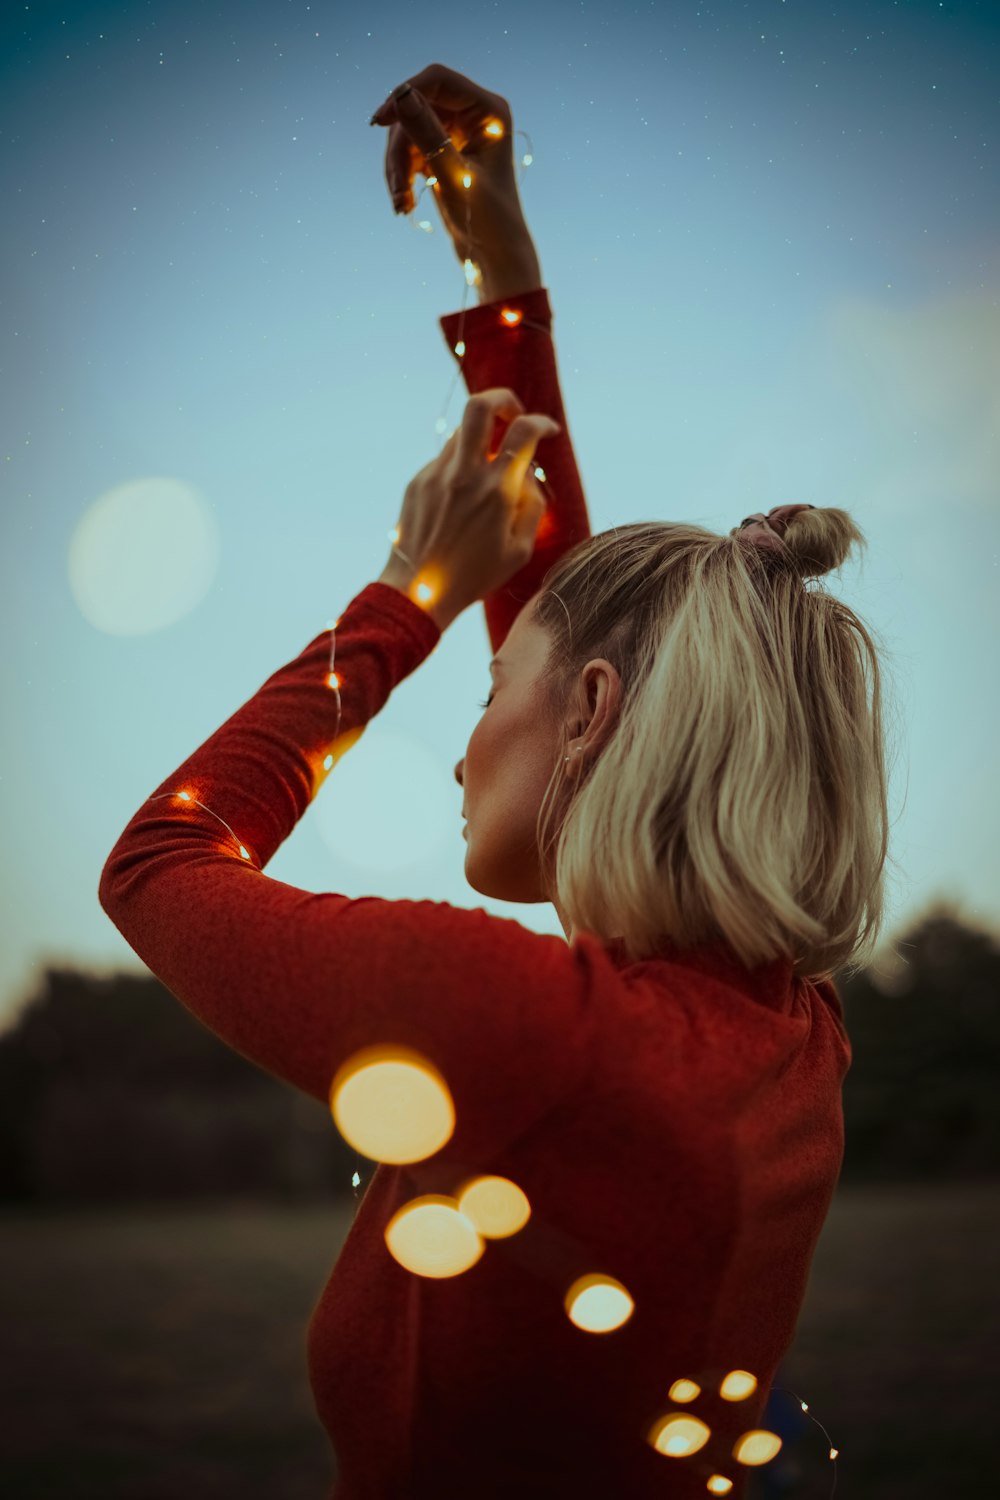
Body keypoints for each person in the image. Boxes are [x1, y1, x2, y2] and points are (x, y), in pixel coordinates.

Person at [100, 64, 891, 1500]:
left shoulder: (526, 1028)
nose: (465, 745)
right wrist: (499, 263)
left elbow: (158, 866)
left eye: (486, 692)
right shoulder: (783, 1027)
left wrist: (407, 595)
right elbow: (581, 632)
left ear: (591, 720)